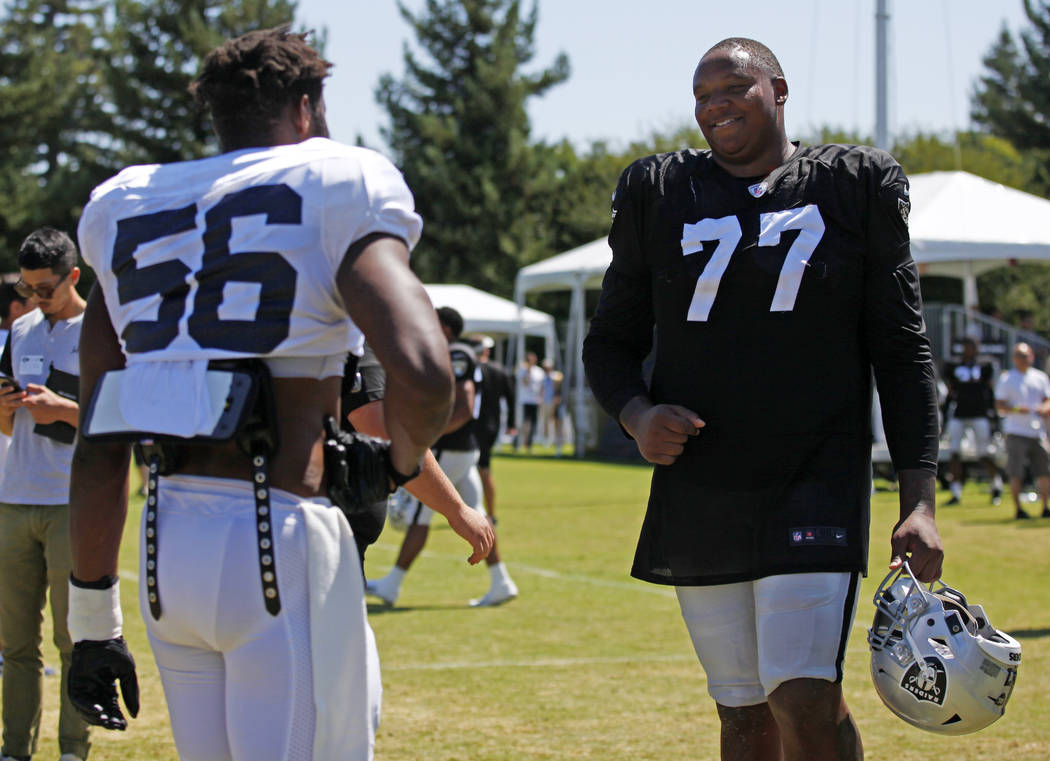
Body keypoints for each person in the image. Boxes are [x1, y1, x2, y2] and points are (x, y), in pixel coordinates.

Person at [68, 27, 477, 761]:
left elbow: (99, 440)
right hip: (278, 531)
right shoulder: (336, 181)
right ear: (306, 108)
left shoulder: (127, 205)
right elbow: (425, 371)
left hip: (166, 550)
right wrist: (402, 460)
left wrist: (92, 621)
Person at [582, 38, 943, 761]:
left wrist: (920, 498)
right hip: (703, 485)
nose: (713, 104)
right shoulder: (660, 191)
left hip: (813, 478)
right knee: (743, 713)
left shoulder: (852, 184)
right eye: (701, 94)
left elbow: (902, 351)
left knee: (802, 694)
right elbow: (609, 342)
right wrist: (636, 413)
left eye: (733, 87)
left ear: (778, 90)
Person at [0, 228, 90, 761]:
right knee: (15, 646)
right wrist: (6, 409)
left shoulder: (103, 330)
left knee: (74, 643)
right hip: (14, 497)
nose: (35, 299)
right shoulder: (22, 327)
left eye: (45, 289)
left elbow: (123, 417)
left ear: (74, 277)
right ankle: (14, 751)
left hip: (72, 503)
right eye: (28, 289)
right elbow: (9, 430)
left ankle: (73, 752)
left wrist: (66, 411)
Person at [367, 307, 518, 608]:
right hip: (462, 448)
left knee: (423, 515)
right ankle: (501, 581)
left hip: (452, 447)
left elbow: (464, 407)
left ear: (445, 328)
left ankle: (392, 585)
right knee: (475, 514)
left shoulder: (457, 353)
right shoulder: (448, 351)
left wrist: (427, 435)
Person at [340, 341, 493, 570]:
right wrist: (455, 510)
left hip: (328, 529)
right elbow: (382, 430)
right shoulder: (357, 337)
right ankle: (394, 582)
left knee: (471, 517)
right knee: (424, 517)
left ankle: (500, 578)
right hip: (325, 532)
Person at [942, 337, 1003, 505]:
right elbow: (950, 391)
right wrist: (945, 414)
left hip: (979, 413)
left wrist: (993, 416)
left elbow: (989, 390)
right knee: (954, 452)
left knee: (984, 453)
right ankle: (956, 491)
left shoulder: (984, 365)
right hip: (959, 413)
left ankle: (996, 485)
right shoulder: (953, 365)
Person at [994, 342, 1050, 519]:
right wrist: (1018, 409)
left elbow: (1048, 399)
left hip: (1038, 431)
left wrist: (1044, 408)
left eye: (1026, 356)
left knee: (1044, 470)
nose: (1024, 359)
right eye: (1020, 356)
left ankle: (1045, 507)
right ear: (1014, 358)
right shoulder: (1007, 378)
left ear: (1031, 357)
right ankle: (1018, 509)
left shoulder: (1040, 377)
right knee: (1016, 471)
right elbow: (1000, 405)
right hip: (1016, 430)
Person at [473, 335, 516, 519]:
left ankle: (483, 513)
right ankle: (489, 513)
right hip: (491, 426)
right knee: (483, 469)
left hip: (472, 426)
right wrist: (512, 423)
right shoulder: (499, 370)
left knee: (479, 470)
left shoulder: (471, 369)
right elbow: (511, 397)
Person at [516, 351, 544, 452]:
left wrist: (540, 397)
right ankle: (519, 442)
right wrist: (528, 371)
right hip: (525, 400)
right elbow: (525, 382)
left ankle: (529, 444)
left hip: (535, 401)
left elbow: (542, 386)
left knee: (533, 423)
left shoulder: (539, 371)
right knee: (524, 422)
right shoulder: (522, 370)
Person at [540, 357, 564, 455]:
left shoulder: (557, 376)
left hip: (556, 403)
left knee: (557, 423)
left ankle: (558, 443)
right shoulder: (543, 378)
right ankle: (548, 439)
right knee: (546, 421)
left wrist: (557, 398)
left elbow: (559, 390)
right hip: (546, 402)